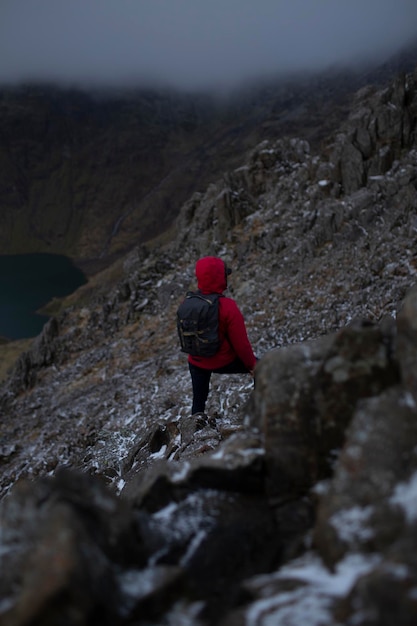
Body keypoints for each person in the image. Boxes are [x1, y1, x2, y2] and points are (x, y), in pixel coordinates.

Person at [187, 256, 257, 415]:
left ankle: (194, 432)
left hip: (196, 361)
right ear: (221, 277)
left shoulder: (189, 302)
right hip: (223, 361)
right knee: (263, 369)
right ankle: (260, 410)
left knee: (198, 403)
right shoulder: (227, 306)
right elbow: (242, 345)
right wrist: (252, 365)